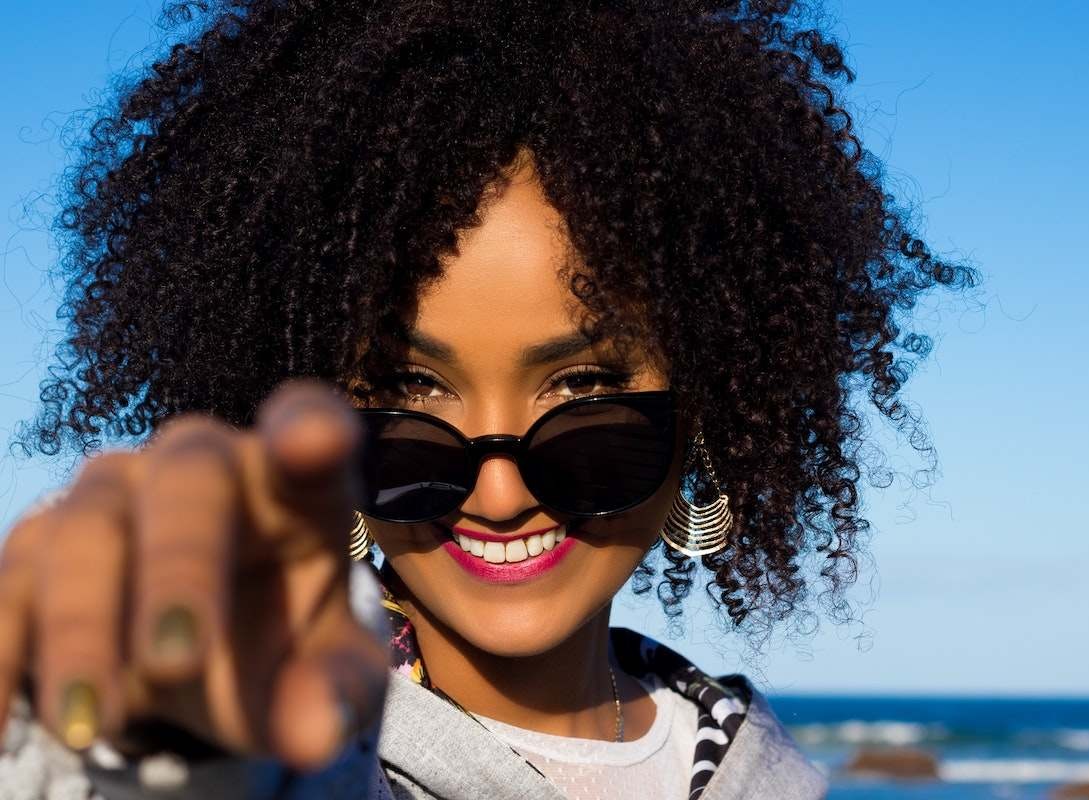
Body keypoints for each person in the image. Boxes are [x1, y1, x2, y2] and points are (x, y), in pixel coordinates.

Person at [0, 0, 977, 798]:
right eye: (409, 393)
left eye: (586, 390)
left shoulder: (764, 775)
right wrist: (150, 739)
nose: (501, 492)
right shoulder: (298, 754)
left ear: (707, 408)